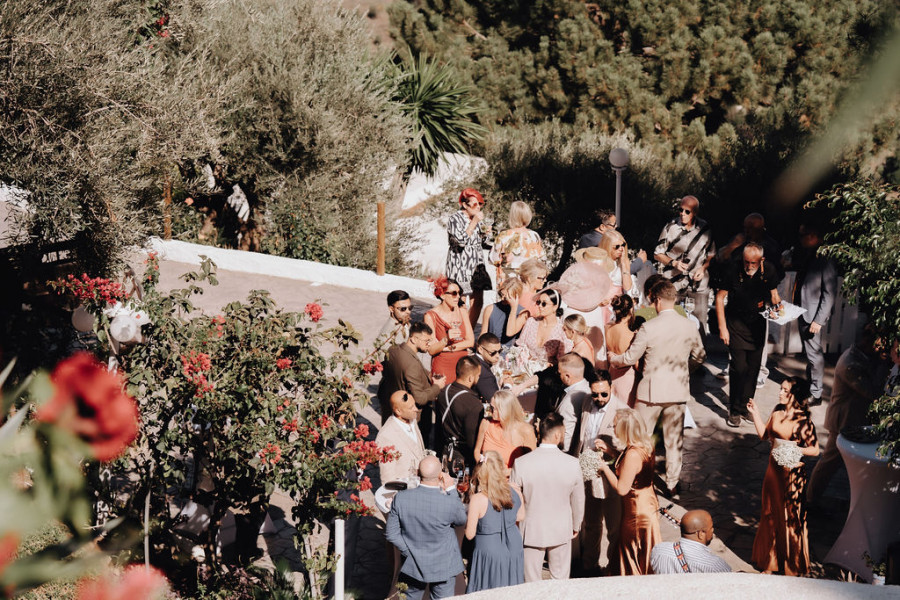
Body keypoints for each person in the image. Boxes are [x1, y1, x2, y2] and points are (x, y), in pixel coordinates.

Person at [609, 280, 705, 496]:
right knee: (674, 441)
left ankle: (640, 478)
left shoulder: (649, 327)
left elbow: (630, 358)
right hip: (677, 390)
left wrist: (613, 359)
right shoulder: (689, 326)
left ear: (658, 300)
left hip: (650, 392)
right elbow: (700, 356)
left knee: (640, 438)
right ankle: (672, 483)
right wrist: (685, 370)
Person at [747, 377, 819, 576]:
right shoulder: (777, 411)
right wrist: (755, 414)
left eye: (785, 391)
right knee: (770, 515)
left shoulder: (803, 421)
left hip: (792, 476)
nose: (780, 393)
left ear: (795, 395)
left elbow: (815, 450)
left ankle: (792, 566)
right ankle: (770, 564)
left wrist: (793, 449)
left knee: (790, 518)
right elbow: (764, 435)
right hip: (773, 473)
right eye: (781, 389)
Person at [807, 326, 887, 501]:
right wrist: (884, 364)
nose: (881, 348)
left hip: (854, 418)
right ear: (868, 342)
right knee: (828, 463)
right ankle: (810, 500)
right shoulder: (850, 364)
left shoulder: (861, 356)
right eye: (879, 344)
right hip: (843, 421)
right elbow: (872, 392)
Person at [510, 413, 585, 582]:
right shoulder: (572, 464)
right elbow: (578, 500)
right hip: (561, 528)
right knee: (560, 580)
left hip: (531, 529)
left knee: (530, 581)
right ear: (557, 435)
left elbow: (513, 499)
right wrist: (576, 524)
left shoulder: (521, 463)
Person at [716, 243, 782, 428]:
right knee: (739, 368)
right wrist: (722, 327)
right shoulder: (733, 269)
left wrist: (778, 308)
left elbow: (774, 295)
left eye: (753, 263)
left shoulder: (768, 270)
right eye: (746, 262)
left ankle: (746, 407)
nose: (749, 266)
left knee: (753, 370)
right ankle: (734, 410)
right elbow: (720, 297)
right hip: (735, 324)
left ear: (761, 260)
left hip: (757, 325)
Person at [716, 213, 785, 388]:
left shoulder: (770, 246)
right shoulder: (740, 242)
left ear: (761, 229)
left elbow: (778, 272)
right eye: (745, 228)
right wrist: (733, 245)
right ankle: (734, 366)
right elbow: (721, 258)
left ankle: (760, 372)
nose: (747, 231)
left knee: (758, 336)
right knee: (735, 334)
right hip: (738, 294)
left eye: (751, 229)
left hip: (761, 297)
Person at [385, 456, 467, 599]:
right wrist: (451, 489)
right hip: (444, 564)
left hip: (412, 565)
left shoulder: (401, 498)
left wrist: (409, 551)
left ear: (417, 473)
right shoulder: (449, 501)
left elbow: (392, 534)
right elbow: (461, 519)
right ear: (440, 475)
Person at [573, 370, 627, 574]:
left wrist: (610, 450)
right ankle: (590, 566)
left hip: (610, 475)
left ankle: (613, 568)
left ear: (611, 388)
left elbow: (629, 451)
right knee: (591, 523)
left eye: (604, 394)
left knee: (614, 527)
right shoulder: (587, 403)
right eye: (595, 394)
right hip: (587, 472)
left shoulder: (622, 411)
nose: (600, 398)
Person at [598, 408, 662, 576]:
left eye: (615, 426)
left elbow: (622, 488)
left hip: (636, 511)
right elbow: (631, 468)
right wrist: (610, 451)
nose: (613, 429)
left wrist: (604, 467)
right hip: (648, 502)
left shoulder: (632, 455)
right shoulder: (646, 443)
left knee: (630, 549)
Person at [783, 223, 838, 405]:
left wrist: (819, 320)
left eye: (803, 235)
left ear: (813, 236)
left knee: (814, 355)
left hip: (813, 315)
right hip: (803, 311)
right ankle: (811, 386)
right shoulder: (811, 254)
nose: (800, 239)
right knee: (810, 353)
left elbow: (829, 293)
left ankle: (816, 393)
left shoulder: (825, 259)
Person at [378, 322, 447, 448]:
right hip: (414, 417)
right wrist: (437, 386)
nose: (429, 344)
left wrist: (427, 375)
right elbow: (419, 398)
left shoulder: (393, 350)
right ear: (414, 339)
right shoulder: (411, 364)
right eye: (426, 341)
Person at [653, 195, 716, 334]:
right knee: (670, 325)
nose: (682, 214)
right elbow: (657, 253)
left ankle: (699, 348)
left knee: (699, 325)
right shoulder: (671, 227)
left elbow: (711, 254)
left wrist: (703, 268)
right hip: (673, 283)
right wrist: (673, 263)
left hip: (697, 284)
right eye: (680, 210)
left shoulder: (705, 229)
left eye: (687, 211)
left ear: (695, 213)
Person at [465, 451, 526, 592]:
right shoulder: (514, 490)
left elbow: (469, 534)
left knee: (488, 589)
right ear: (501, 468)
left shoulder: (478, 499)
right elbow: (521, 516)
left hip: (489, 549)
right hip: (514, 545)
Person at [446, 188, 492, 330]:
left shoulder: (476, 220)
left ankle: (469, 331)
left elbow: (483, 244)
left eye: (480, 204)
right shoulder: (455, 219)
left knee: (478, 301)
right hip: (460, 265)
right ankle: (457, 331)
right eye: (475, 204)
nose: (478, 207)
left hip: (477, 265)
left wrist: (486, 234)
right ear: (465, 204)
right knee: (460, 301)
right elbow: (460, 241)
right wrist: (474, 223)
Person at [435, 356, 484, 468]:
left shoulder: (443, 392)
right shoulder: (473, 404)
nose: (479, 378)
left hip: (445, 453)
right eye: (478, 375)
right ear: (470, 378)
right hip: (462, 460)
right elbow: (472, 441)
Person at [425, 276, 474, 385]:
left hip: (463, 365)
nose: (458, 297)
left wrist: (446, 348)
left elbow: (470, 341)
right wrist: (446, 339)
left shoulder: (462, 311)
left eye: (459, 292)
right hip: (443, 365)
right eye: (454, 293)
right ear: (442, 295)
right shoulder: (430, 316)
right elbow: (432, 350)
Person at [650, 510, 731, 574]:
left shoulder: (659, 550)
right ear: (701, 534)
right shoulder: (715, 565)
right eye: (711, 528)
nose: (713, 530)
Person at [508, 288, 572, 365]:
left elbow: (562, 360)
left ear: (555, 307)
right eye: (539, 302)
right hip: (525, 366)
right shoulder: (531, 322)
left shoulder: (562, 330)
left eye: (544, 304)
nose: (540, 306)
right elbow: (520, 346)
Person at [474, 389, 537, 467]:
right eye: (490, 407)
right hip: (487, 472)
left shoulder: (526, 431)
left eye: (493, 408)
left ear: (505, 410)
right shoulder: (486, 423)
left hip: (512, 474)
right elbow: (477, 451)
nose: (490, 410)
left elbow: (532, 462)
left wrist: (507, 472)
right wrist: (482, 466)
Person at [376, 391, 427, 485]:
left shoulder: (411, 419)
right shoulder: (386, 436)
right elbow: (388, 478)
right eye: (411, 407)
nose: (416, 409)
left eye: (414, 405)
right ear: (398, 411)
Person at [489, 200, 545, 283]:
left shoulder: (504, 235)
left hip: (508, 282)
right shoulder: (534, 236)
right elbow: (541, 259)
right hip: (529, 281)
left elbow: (493, 259)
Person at [556, 353, 591, 453]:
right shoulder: (587, 387)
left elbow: (566, 438)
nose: (558, 376)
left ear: (567, 376)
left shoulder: (569, 402)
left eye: (559, 373)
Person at [605, 294, 636, 406]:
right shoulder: (631, 336)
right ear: (631, 310)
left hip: (611, 373)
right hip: (627, 378)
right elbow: (637, 364)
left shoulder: (607, 328)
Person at [598, 230, 636, 316]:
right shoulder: (599, 262)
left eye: (623, 245)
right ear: (607, 246)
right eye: (617, 246)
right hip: (601, 305)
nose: (621, 249)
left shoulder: (624, 262)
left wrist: (623, 264)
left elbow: (627, 287)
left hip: (618, 306)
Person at [481, 276, 526, 350]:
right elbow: (483, 334)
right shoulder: (490, 309)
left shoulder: (523, 313)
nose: (502, 299)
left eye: (506, 297)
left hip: (509, 352)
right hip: (489, 349)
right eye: (501, 295)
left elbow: (510, 332)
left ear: (516, 296)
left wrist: (514, 308)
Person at [471, 333, 502, 403]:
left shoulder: (472, 359)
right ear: (480, 349)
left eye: (500, 351)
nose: (497, 356)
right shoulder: (484, 374)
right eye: (493, 352)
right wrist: (507, 385)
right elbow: (497, 402)